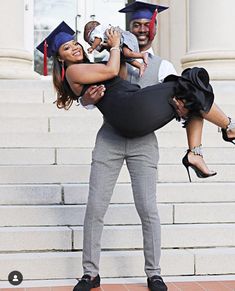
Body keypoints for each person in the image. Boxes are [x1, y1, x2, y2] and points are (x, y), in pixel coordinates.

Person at [36, 8, 235, 291]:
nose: (77, 47)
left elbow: (119, 72)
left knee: (148, 208)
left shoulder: (154, 63)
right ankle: (90, 273)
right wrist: (91, 90)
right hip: (112, 136)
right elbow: (105, 77)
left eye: (77, 43)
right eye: (68, 47)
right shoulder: (87, 67)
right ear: (61, 58)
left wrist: (126, 52)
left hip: (143, 134)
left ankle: (154, 273)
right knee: (95, 208)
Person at [83, 20, 148, 77]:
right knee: (125, 58)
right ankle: (140, 66)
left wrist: (92, 47)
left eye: (89, 41)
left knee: (127, 53)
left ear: (89, 32)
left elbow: (98, 39)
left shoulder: (96, 31)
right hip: (121, 42)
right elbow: (101, 46)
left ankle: (142, 55)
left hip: (124, 38)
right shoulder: (102, 32)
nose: (91, 43)